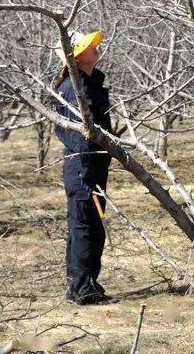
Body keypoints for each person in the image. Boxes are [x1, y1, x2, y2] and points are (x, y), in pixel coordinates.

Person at [53, 30, 117, 305]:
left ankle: (85, 284)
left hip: (93, 167)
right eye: (89, 47)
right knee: (85, 229)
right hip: (82, 169)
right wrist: (88, 174)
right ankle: (81, 290)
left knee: (91, 227)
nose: (95, 48)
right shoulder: (72, 89)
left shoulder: (91, 83)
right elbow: (78, 137)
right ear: (76, 58)